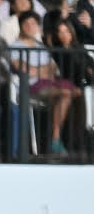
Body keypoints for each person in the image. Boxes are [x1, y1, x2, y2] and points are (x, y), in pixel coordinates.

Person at [8, 11, 79, 155]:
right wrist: (41, 70)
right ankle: (55, 139)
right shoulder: (15, 45)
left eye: (33, 23)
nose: (29, 26)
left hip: (49, 83)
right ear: (21, 26)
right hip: (30, 86)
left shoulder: (41, 45)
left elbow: (53, 68)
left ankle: (59, 139)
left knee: (75, 92)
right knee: (66, 92)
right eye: (26, 24)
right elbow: (21, 68)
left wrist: (36, 69)